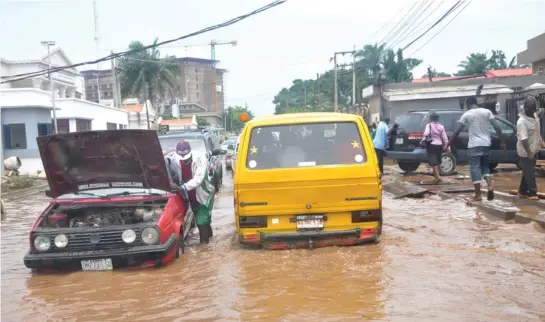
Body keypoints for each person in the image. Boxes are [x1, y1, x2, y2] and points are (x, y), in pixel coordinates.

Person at [446, 96, 505, 201]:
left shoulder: (467, 114)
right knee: (485, 167)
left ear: (468, 104)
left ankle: (478, 195)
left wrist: (448, 143)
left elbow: (457, 131)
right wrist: (502, 141)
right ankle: (490, 186)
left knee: (475, 168)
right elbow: (497, 127)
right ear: (476, 103)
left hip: (474, 145)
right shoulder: (487, 112)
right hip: (486, 144)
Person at [169, 141, 215, 244]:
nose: (184, 159)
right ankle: (209, 235)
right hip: (189, 193)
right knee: (199, 214)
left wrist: (182, 187)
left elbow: (199, 178)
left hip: (203, 191)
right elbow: (174, 175)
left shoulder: (200, 158)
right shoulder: (174, 160)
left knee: (201, 218)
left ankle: (204, 245)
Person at [516, 96, 544, 200]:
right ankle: (532, 192)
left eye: (534, 109)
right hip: (525, 151)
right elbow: (524, 139)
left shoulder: (534, 116)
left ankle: (522, 191)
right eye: (531, 109)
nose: (533, 111)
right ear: (525, 108)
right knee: (530, 171)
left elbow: (537, 129)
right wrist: (529, 153)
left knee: (527, 171)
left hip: (534, 148)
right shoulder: (522, 121)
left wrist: (541, 141)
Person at [423, 112, 449, 183]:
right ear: (438, 119)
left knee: (433, 162)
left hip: (431, 145)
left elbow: (426, 134)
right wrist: (447, 146)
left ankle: (437, 177)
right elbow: (445, 138)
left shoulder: (429, 125)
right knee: (436, 162)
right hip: (439, 145)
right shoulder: (441, 126)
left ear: (431, 119)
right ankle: (436, 177)